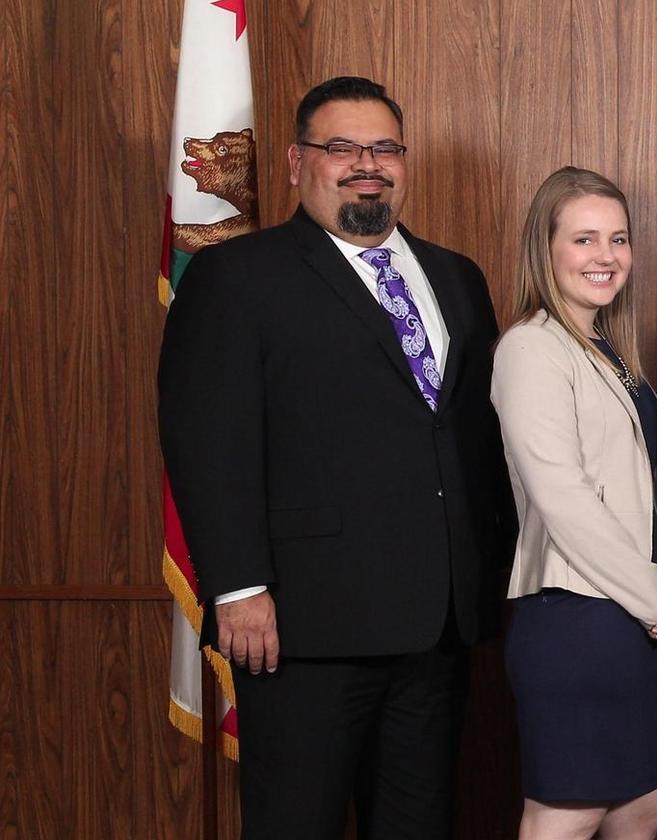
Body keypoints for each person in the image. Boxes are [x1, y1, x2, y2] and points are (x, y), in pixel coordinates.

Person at [157, 76, 512, 838]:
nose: (366, 164)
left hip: (438, 625)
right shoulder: (236, 278)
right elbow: (206, 440)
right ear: (295, 162)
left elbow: (478, 441)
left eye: (384, 147)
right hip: (300, 629)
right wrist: (239, 587)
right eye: (341, 147)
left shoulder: (457, 277)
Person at [491, 167, 657, 840]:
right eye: (584, 239)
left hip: (640, 623)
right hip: (574, 622)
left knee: (643, 810)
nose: (605, 256)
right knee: (567, 815)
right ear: (545, 249)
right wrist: (652, 597)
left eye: (618, 239)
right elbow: (563, 497)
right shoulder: (530, 348)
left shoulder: (618, 358)